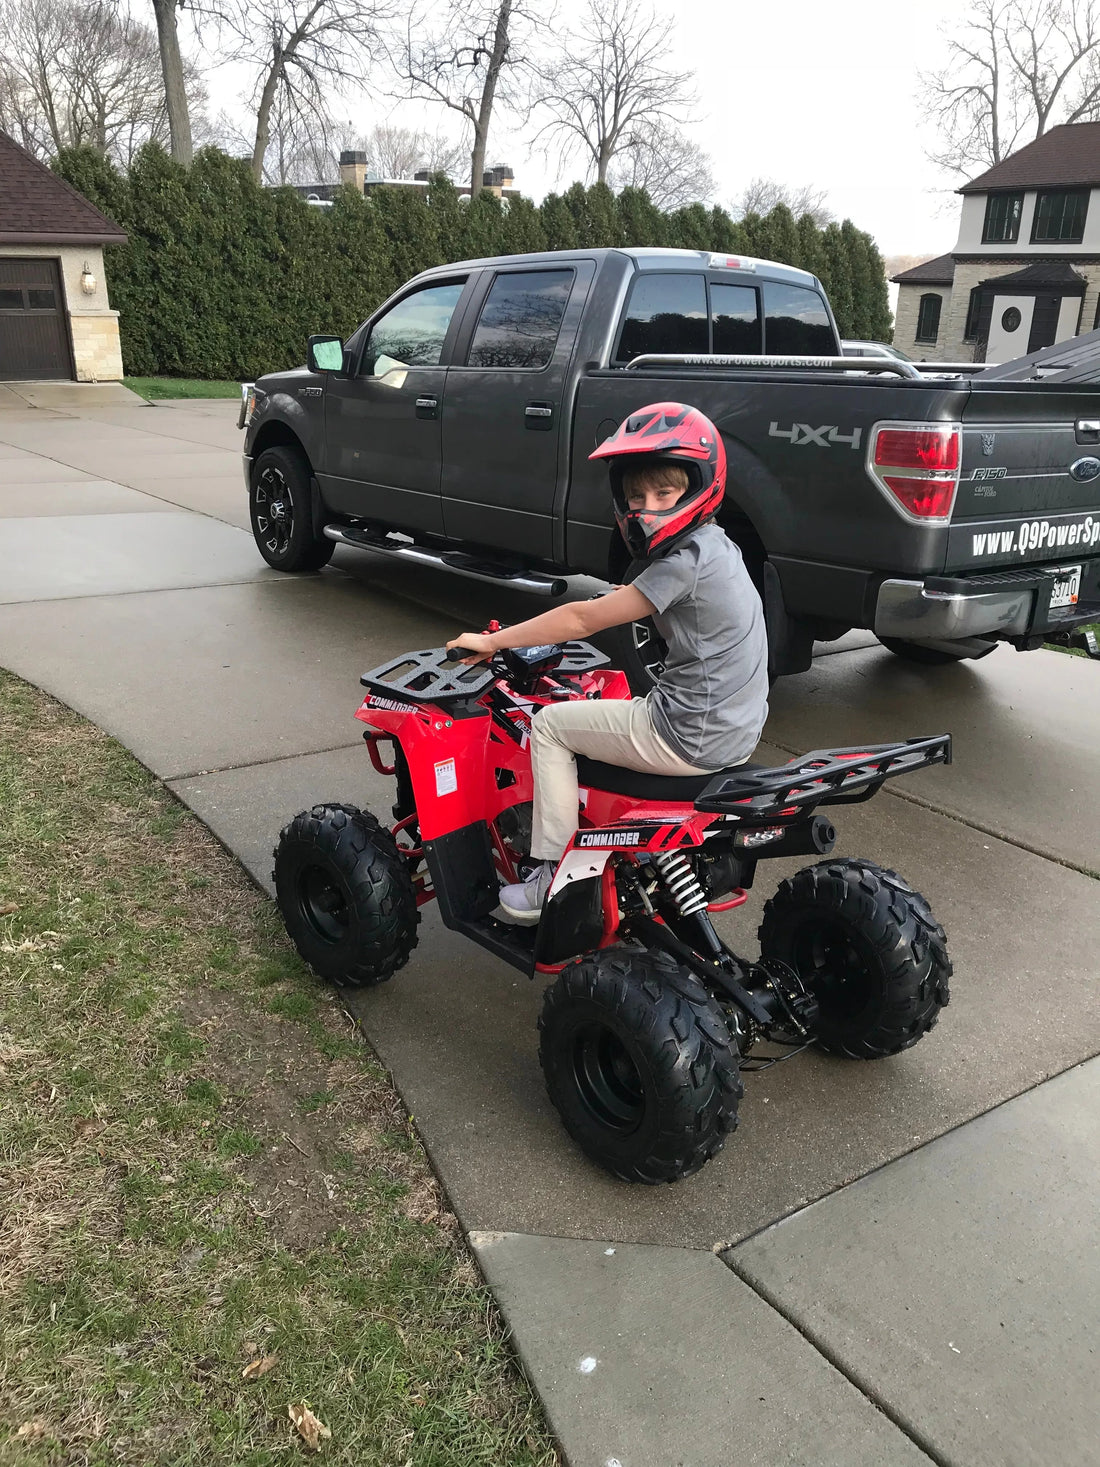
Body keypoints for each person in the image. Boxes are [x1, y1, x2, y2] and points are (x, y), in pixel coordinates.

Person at [446, 401, 769, 925]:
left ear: (700, 484)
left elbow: (577, 621)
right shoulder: (716, 547)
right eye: (636, 496)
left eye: (665, 494)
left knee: (549, 725)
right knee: (611, 697)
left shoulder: (681, 565)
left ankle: (550, 872)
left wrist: (494, 642)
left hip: (688, 735)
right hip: (736, 729)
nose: (647, 509)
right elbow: (664, 601)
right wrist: (627, 593)